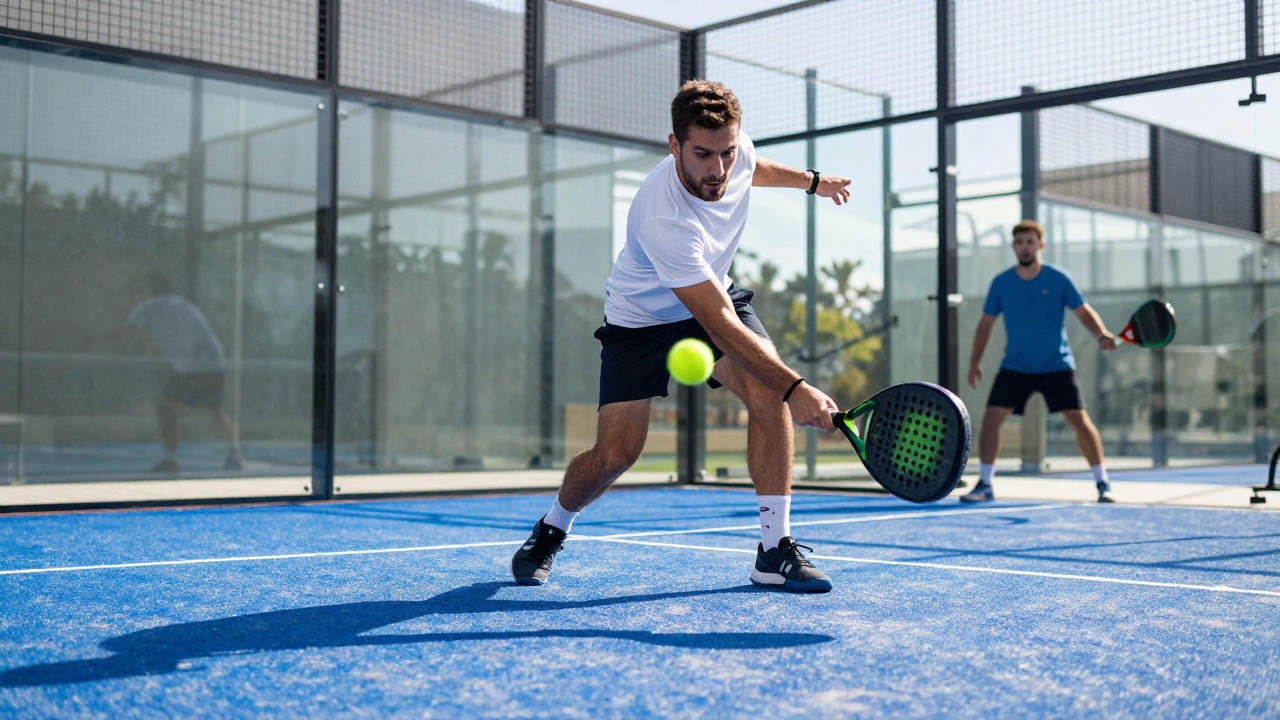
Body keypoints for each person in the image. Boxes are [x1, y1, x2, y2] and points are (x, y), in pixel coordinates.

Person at [510, 80, 852, 592]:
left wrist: (812, 182)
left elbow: (752, 169)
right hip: (641, 320)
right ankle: (553, 526)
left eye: (726, 153)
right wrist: (796, 387)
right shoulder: (663, 216)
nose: (717, 169)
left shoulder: (734, 155)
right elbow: (718, 324)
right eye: (701, 155)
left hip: (712, 288)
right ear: (674, 145)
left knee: (765, 394)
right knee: (617, 454)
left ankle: (773, 549)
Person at [962, 220, 1116, 503]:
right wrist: (974, 362)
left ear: (1040, 245)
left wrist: (1101, 334)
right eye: (1019, 242)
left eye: (1030, 241)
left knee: (1079, 421)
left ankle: (1102, 482)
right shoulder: (1001, 283)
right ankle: (985, 483)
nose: (1024, 247)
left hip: (1056, 364)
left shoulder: (1058, 279)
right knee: (992, 418)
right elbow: (986, 324)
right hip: (1015, 366)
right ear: (1013, 246)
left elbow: (1083, 312)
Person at [102, 272, 242, 474]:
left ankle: (174, 459)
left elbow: (125, 333)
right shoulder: (181, 304)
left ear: (148, 290)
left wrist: (92, 342)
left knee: (173, 407)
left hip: (197, 366)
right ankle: (231, 453)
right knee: (208, 411)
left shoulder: (149, 307)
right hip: (207, 363)